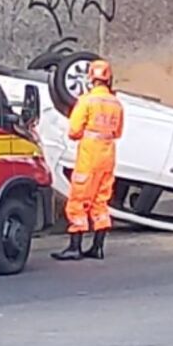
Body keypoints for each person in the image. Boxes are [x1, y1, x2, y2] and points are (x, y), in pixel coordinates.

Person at [52, 60, 124, 261]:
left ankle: (75, 247)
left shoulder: (86, 101)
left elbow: (74, 131)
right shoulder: (116, 103)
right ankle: (97, 247)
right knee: (100, 202)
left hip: (89, 157)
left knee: (78, 201)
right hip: (108, 156)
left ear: (91, 78)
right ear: (108, 78)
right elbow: (118, 132)